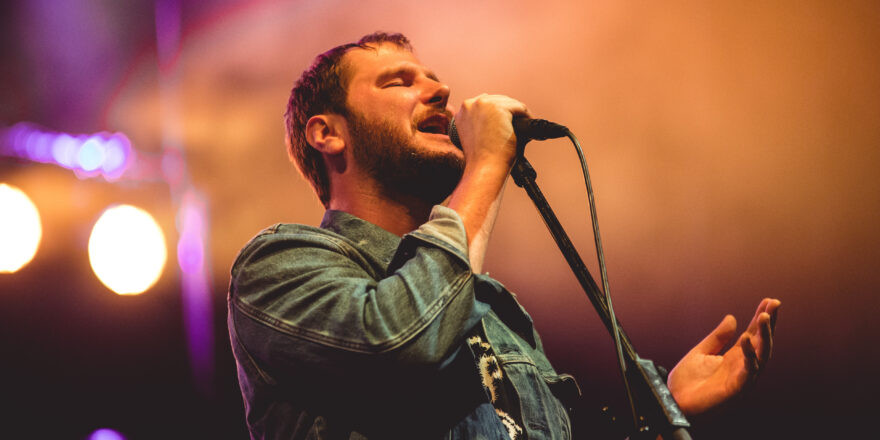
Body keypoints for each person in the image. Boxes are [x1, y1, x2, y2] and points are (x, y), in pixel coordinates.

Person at [227, 32, 781, 439]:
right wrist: (487, 165)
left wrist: (662, 408)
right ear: (326, 132)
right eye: (400, 81)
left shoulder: (487, 306)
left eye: (432, 78)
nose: (440, 90)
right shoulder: (278, 265)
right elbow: (398, 341)